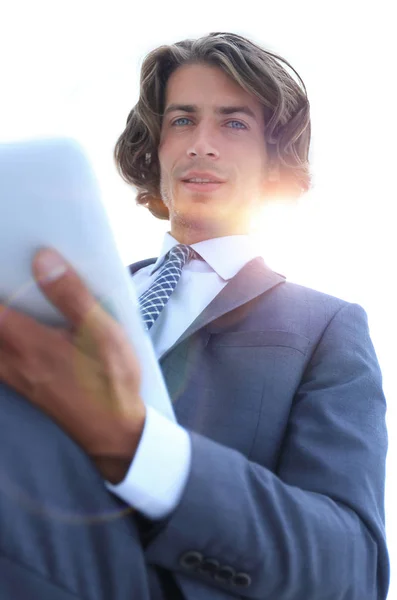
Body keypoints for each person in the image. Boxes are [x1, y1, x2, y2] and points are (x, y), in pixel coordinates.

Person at [0, 31, 389, 600]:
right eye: (182, 121)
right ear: (153, 149)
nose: (200, 144)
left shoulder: (324, 327)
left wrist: (135, 444)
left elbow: (350, 566)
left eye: (234, 124)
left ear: (273, 161)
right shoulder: (64, 290)